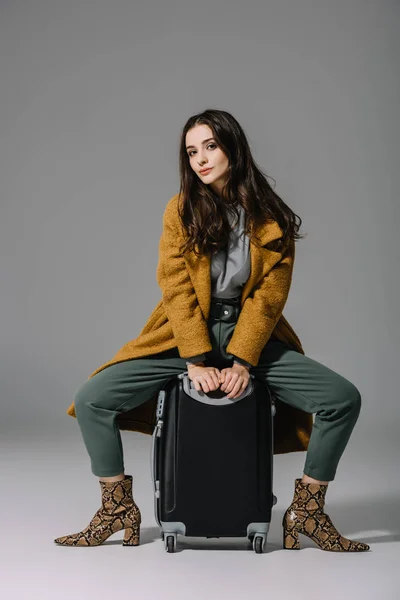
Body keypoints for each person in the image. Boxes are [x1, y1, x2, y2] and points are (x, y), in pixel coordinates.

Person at [54, 109, 370, 552]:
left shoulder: (271, 216)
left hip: (250, 335)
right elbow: (175, 287)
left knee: (342, 399)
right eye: (191, 151)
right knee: (92, 400)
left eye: (210, 146)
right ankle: (117, 510)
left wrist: (243, 360)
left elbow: (268, 298)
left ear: (232, 147)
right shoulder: (180, 209)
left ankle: (308, 513)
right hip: (185, 334)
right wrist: (196, 358)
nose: (200, 159)